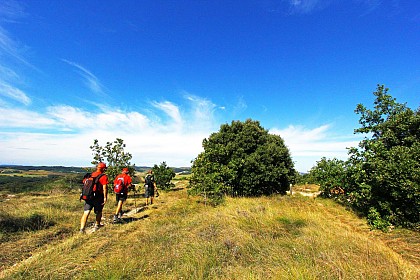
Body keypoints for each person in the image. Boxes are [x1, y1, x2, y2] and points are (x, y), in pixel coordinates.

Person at [80, 162, 109, 234]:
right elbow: (104, 188)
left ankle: (82, 229)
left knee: (86, 212)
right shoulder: (103, 176)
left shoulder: (90, 175)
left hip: (88, 196)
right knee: (98, 212)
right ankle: (97, 225)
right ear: (103, 169)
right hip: (98, 197)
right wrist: (105, 197)